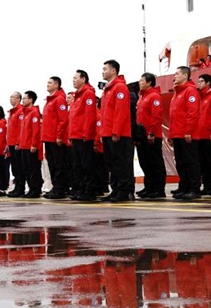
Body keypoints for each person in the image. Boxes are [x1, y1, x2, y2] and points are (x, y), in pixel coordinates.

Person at [100, 59, 134, 202]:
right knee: (112, 163)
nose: (102, 72)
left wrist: (116, 132)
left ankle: (124, 191)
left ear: (113, 71)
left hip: (118, 134)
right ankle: (115, 189)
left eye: (105, 69)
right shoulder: (107, 90)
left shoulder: (120, 87)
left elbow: (121, 112)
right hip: (107, 132)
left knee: (121, 163)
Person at [168, 66, 202, 200]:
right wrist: (171, 134)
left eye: (177, 74)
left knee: (191, 162)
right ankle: (185, 187)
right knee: (181, 163)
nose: (175, 76)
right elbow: (173, 116)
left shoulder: (190, 91)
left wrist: (189, 131)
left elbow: (193, 113)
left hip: (187, 134)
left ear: (185, 75)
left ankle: (194, 188)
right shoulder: (177, 93)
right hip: (177, 134)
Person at [135, 72, 167, 199]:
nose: (139, 82)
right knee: (145, 163)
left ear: (149, 82)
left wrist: (152, 132)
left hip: (151, 135)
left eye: (142, 80)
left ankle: (159, 189)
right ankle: (149, 187)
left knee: (155, 162)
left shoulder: (154, 97)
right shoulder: (141, 97)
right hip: (142, 136)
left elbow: (156, 116)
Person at [68, 70, 98, 201]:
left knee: (87, 165)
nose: (73, 80)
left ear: (83, 79)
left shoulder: (88, 94)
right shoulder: (77, 95)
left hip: (83, 136)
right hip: (76, 135)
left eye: (75, 78)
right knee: (77, 165)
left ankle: (90, 191)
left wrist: (86, 133)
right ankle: (80, 189)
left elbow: (89, 115)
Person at [42, 76, 71, 199]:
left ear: (56, 85)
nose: (47, 84)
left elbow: (63, 120)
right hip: (48, 137)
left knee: (59, 164)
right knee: (52, 164)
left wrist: (59, 136)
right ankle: (56, 187)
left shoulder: (59, 99)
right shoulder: (50, 100)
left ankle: (60, 188)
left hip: (56, 138)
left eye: (50, 83)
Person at [18, 91, 43, 198]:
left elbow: (36, 130)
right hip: (23, 145)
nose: (22, 101)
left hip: (30, 146)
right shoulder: (25, 113)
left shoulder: (34, 112)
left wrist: (34, 144)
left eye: (24, 98)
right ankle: (30, 189)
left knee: (33, 169)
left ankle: (36, 190)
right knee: (26, 169)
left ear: (31, 99)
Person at [5, 93, 26, 197]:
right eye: (10, 97)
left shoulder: (20, 111)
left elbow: (20, 129)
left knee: (19, 167)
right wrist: (8, 144)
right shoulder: (12, 112)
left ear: (18, 99)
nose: (11, 99)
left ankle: (20, 188)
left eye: (12, 97)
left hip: (17, 144)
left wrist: (18, 142)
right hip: (11, 143)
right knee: (14, 168)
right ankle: (16, 187)